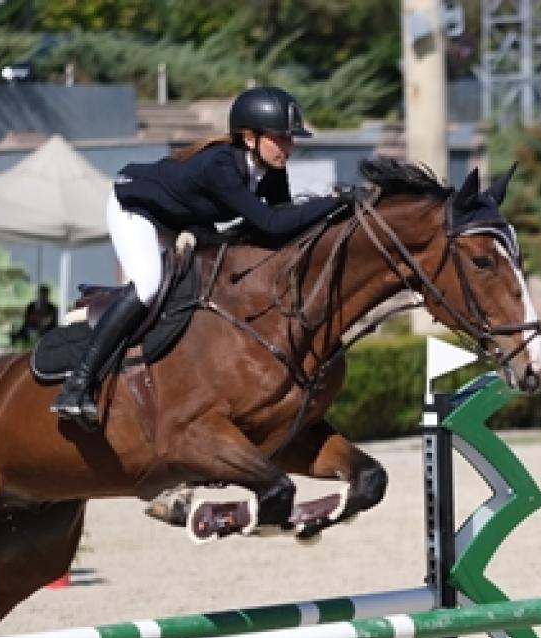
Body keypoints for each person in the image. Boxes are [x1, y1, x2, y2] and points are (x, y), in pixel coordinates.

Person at [50, 85, 351, 431]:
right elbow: (270, 222)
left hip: (183, 220)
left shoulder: (270, 170)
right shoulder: (220, 165)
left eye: (290, 139)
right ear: (249, 137)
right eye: (279, 138)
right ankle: (77, 386)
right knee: (149, 285)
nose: (288, 147)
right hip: (136, 208)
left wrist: (334, 215)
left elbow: (281, 222)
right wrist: (332, 201)